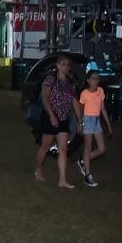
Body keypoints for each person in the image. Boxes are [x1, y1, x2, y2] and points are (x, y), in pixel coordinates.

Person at [35, 56, 82, 188]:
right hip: (51, 115)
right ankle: (38, 168)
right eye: (63, 64)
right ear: (57, 65)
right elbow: (45, 97)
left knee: (63, 149)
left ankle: (62, 179)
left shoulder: (70, 83)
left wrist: (80, 121)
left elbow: (75, 102)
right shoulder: (51, 79)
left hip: (63, 117)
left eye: (68, 64)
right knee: (45, 146)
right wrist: (51, 115)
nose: (65, 67)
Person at [77, 70, 112, 187]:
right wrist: (80, 123)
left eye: (97, 78)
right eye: (93, 78)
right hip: (88, 120)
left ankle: (83, 161)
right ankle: (87, 175)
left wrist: (108, 125)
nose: (96, 81)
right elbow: (81, 109)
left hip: (97, 120)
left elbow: (103, 109)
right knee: (88, 147)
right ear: (88, 80)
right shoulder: (84, 93)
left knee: (102, 149)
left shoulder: (100, 91)